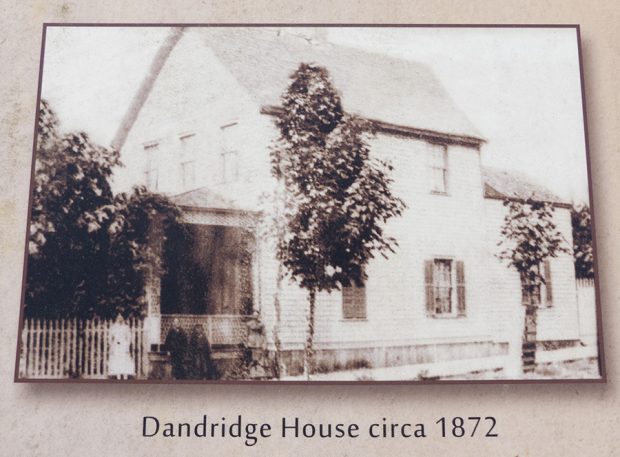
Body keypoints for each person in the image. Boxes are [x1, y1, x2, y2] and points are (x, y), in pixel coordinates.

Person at [108, 313, 135, 380]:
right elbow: (110, 338)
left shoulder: (126, 327)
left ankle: (125, 377)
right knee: (117, 361)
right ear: (116, 318)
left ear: (123, 318)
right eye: (118, 316)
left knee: (124, 361)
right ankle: (118, 377)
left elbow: (129, 338)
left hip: (124, 346)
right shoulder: (113, 327)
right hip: (116, 347)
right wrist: (112, 347)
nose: (119, 318)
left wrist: (127, 347)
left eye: (121, 316)